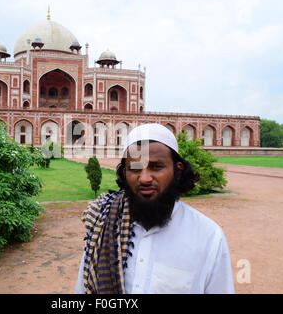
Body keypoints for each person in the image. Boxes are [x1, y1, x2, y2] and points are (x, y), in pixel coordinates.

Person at [74, 123, 235, 294]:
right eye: (135, 168)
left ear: (177, 171)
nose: (144, 178)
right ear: (124, 173)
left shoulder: (207, 237)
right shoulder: (104, 226)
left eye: (156, 167)